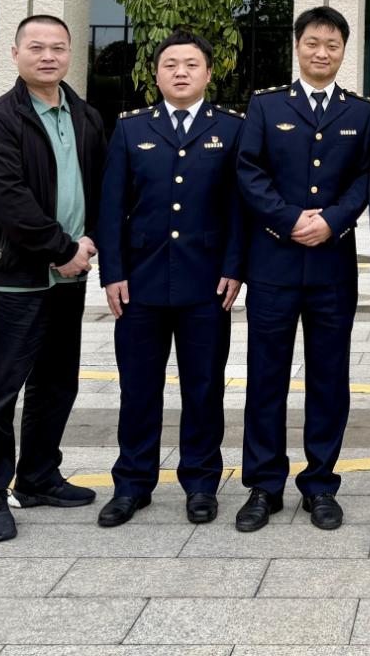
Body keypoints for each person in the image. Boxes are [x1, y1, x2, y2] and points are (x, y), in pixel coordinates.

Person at [95, 32, 246, 528]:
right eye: (171, 64)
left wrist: (234, 267)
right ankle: (132, 484)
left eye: (191, 64)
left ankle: (201, 483)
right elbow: (112, 207)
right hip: (140, 283)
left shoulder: (231, 128)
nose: (181, 72)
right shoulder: (131, 128)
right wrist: (113, 273)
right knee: (139, 388)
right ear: (155, 74)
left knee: (204, 388)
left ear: (209, 73)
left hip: (207, 283)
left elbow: (239, 207)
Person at [235, 6, 370, 531]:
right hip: (273, 264)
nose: (322, 52)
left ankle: (320, 484)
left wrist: (334, 221)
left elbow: (366, 177)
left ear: (344, 51)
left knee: (328, 380)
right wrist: (289, 219)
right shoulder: (266, 105)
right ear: (297, 47)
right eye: (313, 43)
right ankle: (263, 485)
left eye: (332, 45)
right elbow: (248, 171)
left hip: (332, 267)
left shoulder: (362, 112)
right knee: (265, 378)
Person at [0, 14, 107, 542]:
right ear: (16, 54)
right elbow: (11, 202)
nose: (48, 56)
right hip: (15, 278)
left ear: (71, 54)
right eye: (37, 47)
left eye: (58, 48)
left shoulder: (86, 116)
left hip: (68, 279)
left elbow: (101, 187)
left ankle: (39, 477)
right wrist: (62, 249)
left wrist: (89, 242)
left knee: (55, 384)